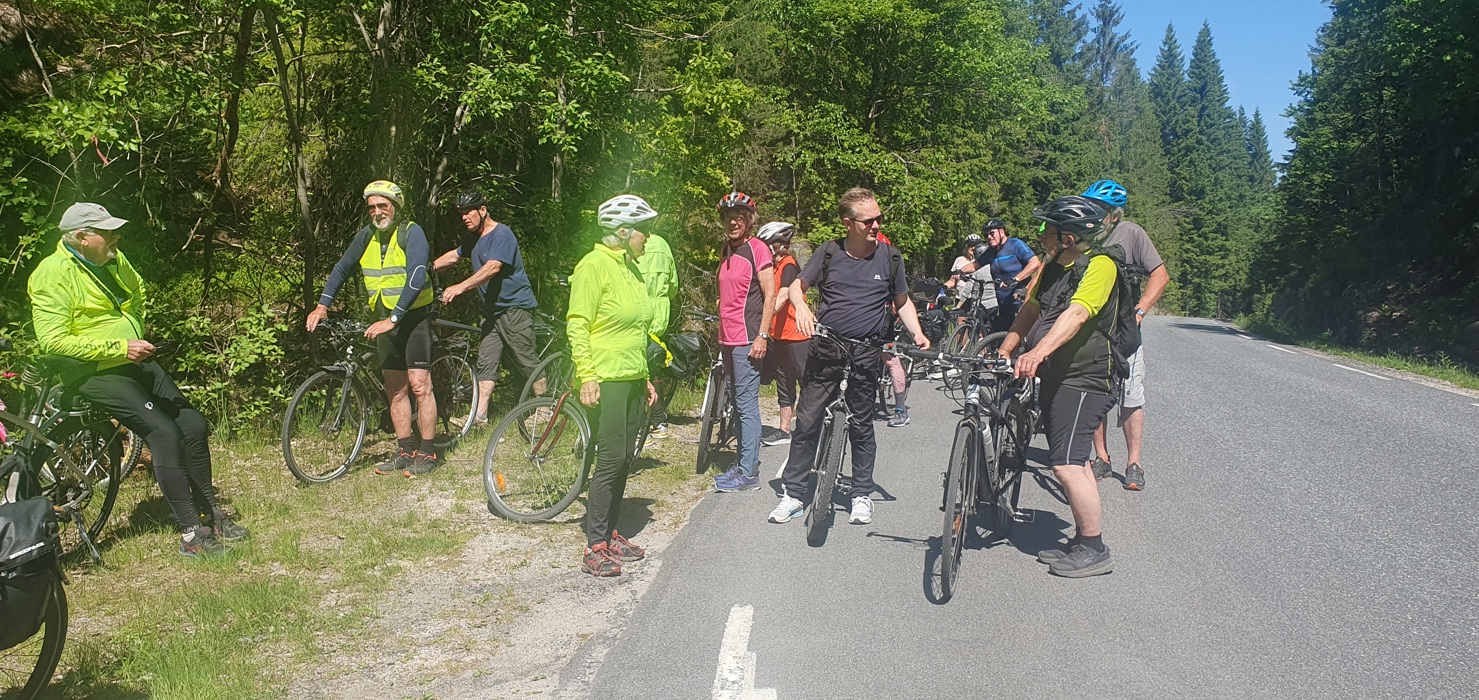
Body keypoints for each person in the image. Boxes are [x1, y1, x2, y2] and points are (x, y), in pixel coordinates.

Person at [28, 203, 249, 557]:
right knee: (164, 433)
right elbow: (53, 342)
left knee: (193, 425)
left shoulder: (113, 258)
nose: (115, 236)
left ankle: (210, 513)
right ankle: (192, 535)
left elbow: (138, 290)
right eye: (106, 232)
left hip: (134, 360)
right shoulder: (51, 274)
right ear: (82, 237)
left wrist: (134, 330)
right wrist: (120, 346)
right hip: (92, 371)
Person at [767, 188, 930, 527]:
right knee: (807, 421)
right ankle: (794, 494)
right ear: (848, 223)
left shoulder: (890, 257)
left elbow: (902, 302)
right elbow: (797, 286)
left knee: (861, 425)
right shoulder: (829, 252)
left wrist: (917, 332)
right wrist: (801, 308)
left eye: (879, 218)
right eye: (868, 221)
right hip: (827, 349)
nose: (876, 225)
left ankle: (861, 493)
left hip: (866, 353)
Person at [997, 195, 1129, 578]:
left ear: (1068, 237)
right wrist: (1007, 348)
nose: (1041, 236)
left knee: (1066, 465)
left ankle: (1094, 548)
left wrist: (1037, 352)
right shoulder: (1054, 267)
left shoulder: (1101, 265)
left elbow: (1077, 313)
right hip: (1060, 374)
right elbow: (1031, 309)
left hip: (1087, 376)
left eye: (1048, 230)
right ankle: (1083, 539)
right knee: (1076, 459)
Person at [306, 180, 440, 477]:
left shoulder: (412, 232)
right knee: (395, 387)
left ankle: (428, 451)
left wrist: (394, 318)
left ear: (395, 207)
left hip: (413, 317)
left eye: (383, 206)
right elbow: (342, 268)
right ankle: (405, 449)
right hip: (383, 319)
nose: (377, 212)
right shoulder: (367, 235)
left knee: (420, 385)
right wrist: (322, 305)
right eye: (371, 208)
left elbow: (417, 274)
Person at [568, 194, 659, 577]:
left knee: (624, 458)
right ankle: (595, 546)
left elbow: (636, 330)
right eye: (644, 230)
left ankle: (612, 533)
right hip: (605, 378)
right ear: (622, 232)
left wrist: (646, 377)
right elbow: (577, 324)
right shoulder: (593, 266)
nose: (648, 237)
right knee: (609, 459)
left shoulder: (631, 268)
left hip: (632, 377)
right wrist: (587, 374)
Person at [1080, 180, 1169, 492]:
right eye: (1091, 206)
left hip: (1125, 329)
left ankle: (1134, 463)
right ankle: (1102, 457)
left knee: (1131, 396)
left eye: (1099, 208)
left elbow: (1160, 274)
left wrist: (1140, 310)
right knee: (1095, 392)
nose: (1093, 212)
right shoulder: (1085, 236)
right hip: (1092, 329)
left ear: (1114, 214)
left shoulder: (1131, 232)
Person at [432, 191, 541, 425]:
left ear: (482, 210)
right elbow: (453, 257)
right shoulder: (475, 238)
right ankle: (479, 415)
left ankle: (546, 408)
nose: (464, 218)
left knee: (526, 359)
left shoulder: (502, 234)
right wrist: (426, 269)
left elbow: (493, 267)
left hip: (514, 309)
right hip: (492, 314)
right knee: (486, 362)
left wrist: (460, 287)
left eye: (468, 212)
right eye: (461, 214)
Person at [712, 192, 776, 493]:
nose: (733, 222)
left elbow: (770, 295)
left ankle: (749, 473)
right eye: (728, 217)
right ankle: (742, 462)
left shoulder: (757, 249)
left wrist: (762, 335)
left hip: (748, 338)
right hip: (728, 338)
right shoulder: (726, 250)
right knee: (737, 403)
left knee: (747, 404)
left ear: (749, 221)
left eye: (739, 217)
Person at [756, 221, 807, 446]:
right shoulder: (772, 268)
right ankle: (785, 430)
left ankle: (809, 427)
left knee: (805, 382)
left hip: (797, 335)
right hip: (778, 335)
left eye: (767, 245)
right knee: (784, 384)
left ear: (776, 245)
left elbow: (785, 294)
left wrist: (764, 318)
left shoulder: (789, 264)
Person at [953, 218, 1041, 332]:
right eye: (986, 235)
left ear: (1002, 231)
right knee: (1001, 335)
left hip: (1020, 298)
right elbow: (974, 265)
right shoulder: (991, 252)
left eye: (992, 233)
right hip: (1003, 303)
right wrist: (959, 271)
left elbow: (1035, 262)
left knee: (1019, 334)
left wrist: (1016, 279)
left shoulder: (1015, 244)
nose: (989, 237)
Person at [636, 218, 679, 440]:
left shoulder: (630, 246)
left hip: (638, 309)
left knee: (639, 365)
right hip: (660, 313)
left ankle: (649, 419)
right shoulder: (662, 244)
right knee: (653, 364)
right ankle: (658, 421)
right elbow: (673, 284)